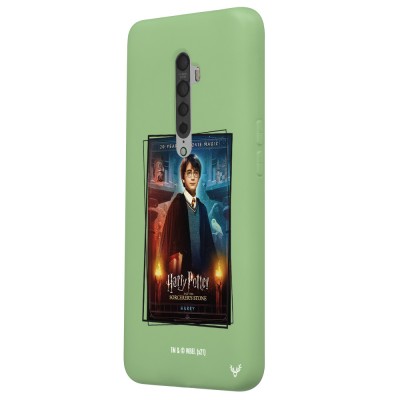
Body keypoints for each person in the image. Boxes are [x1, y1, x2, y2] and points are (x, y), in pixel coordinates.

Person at [160, 153, 216, 275]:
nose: (192, 177)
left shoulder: (202, 209)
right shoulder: (177, 205)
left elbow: (209, 247)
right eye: (189, 173)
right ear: (183, 178)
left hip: (200, 277)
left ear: (199, 177)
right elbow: (167, 242)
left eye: (196, 173)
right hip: (180, 275)